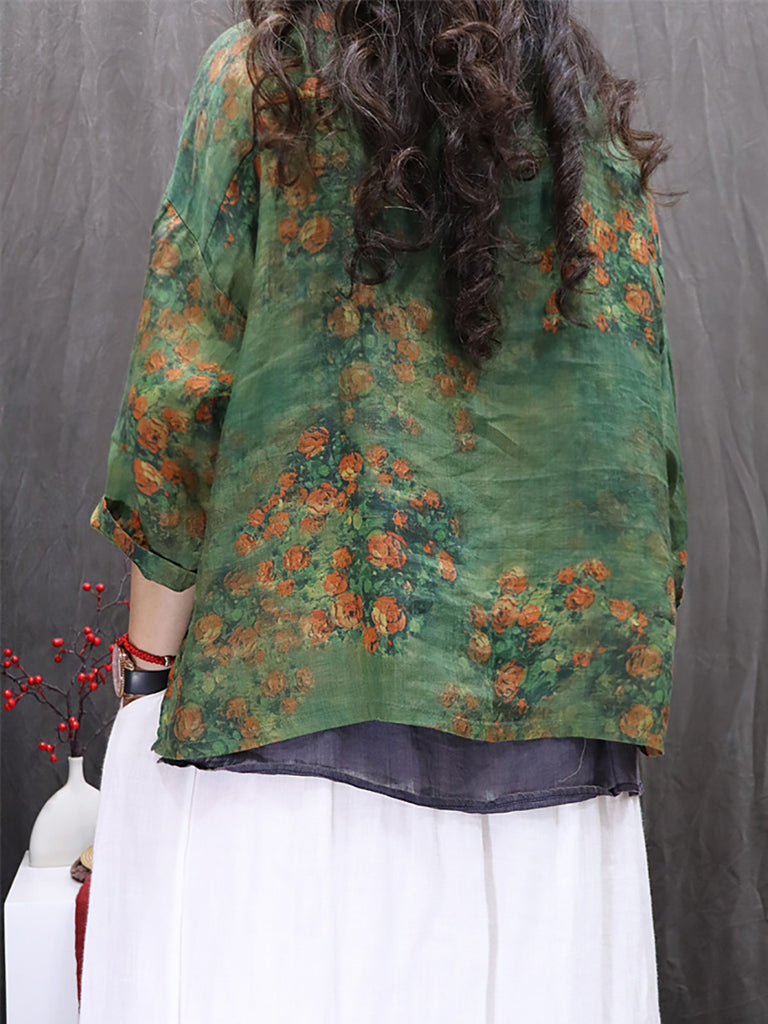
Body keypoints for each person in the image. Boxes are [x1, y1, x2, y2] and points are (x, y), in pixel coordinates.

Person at [79, 2, 688, 1022]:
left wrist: (146, 667)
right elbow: (643, 433)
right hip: (543, 773)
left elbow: (177, 411)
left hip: (288, 751)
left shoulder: (263, 85)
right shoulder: (581, 125)